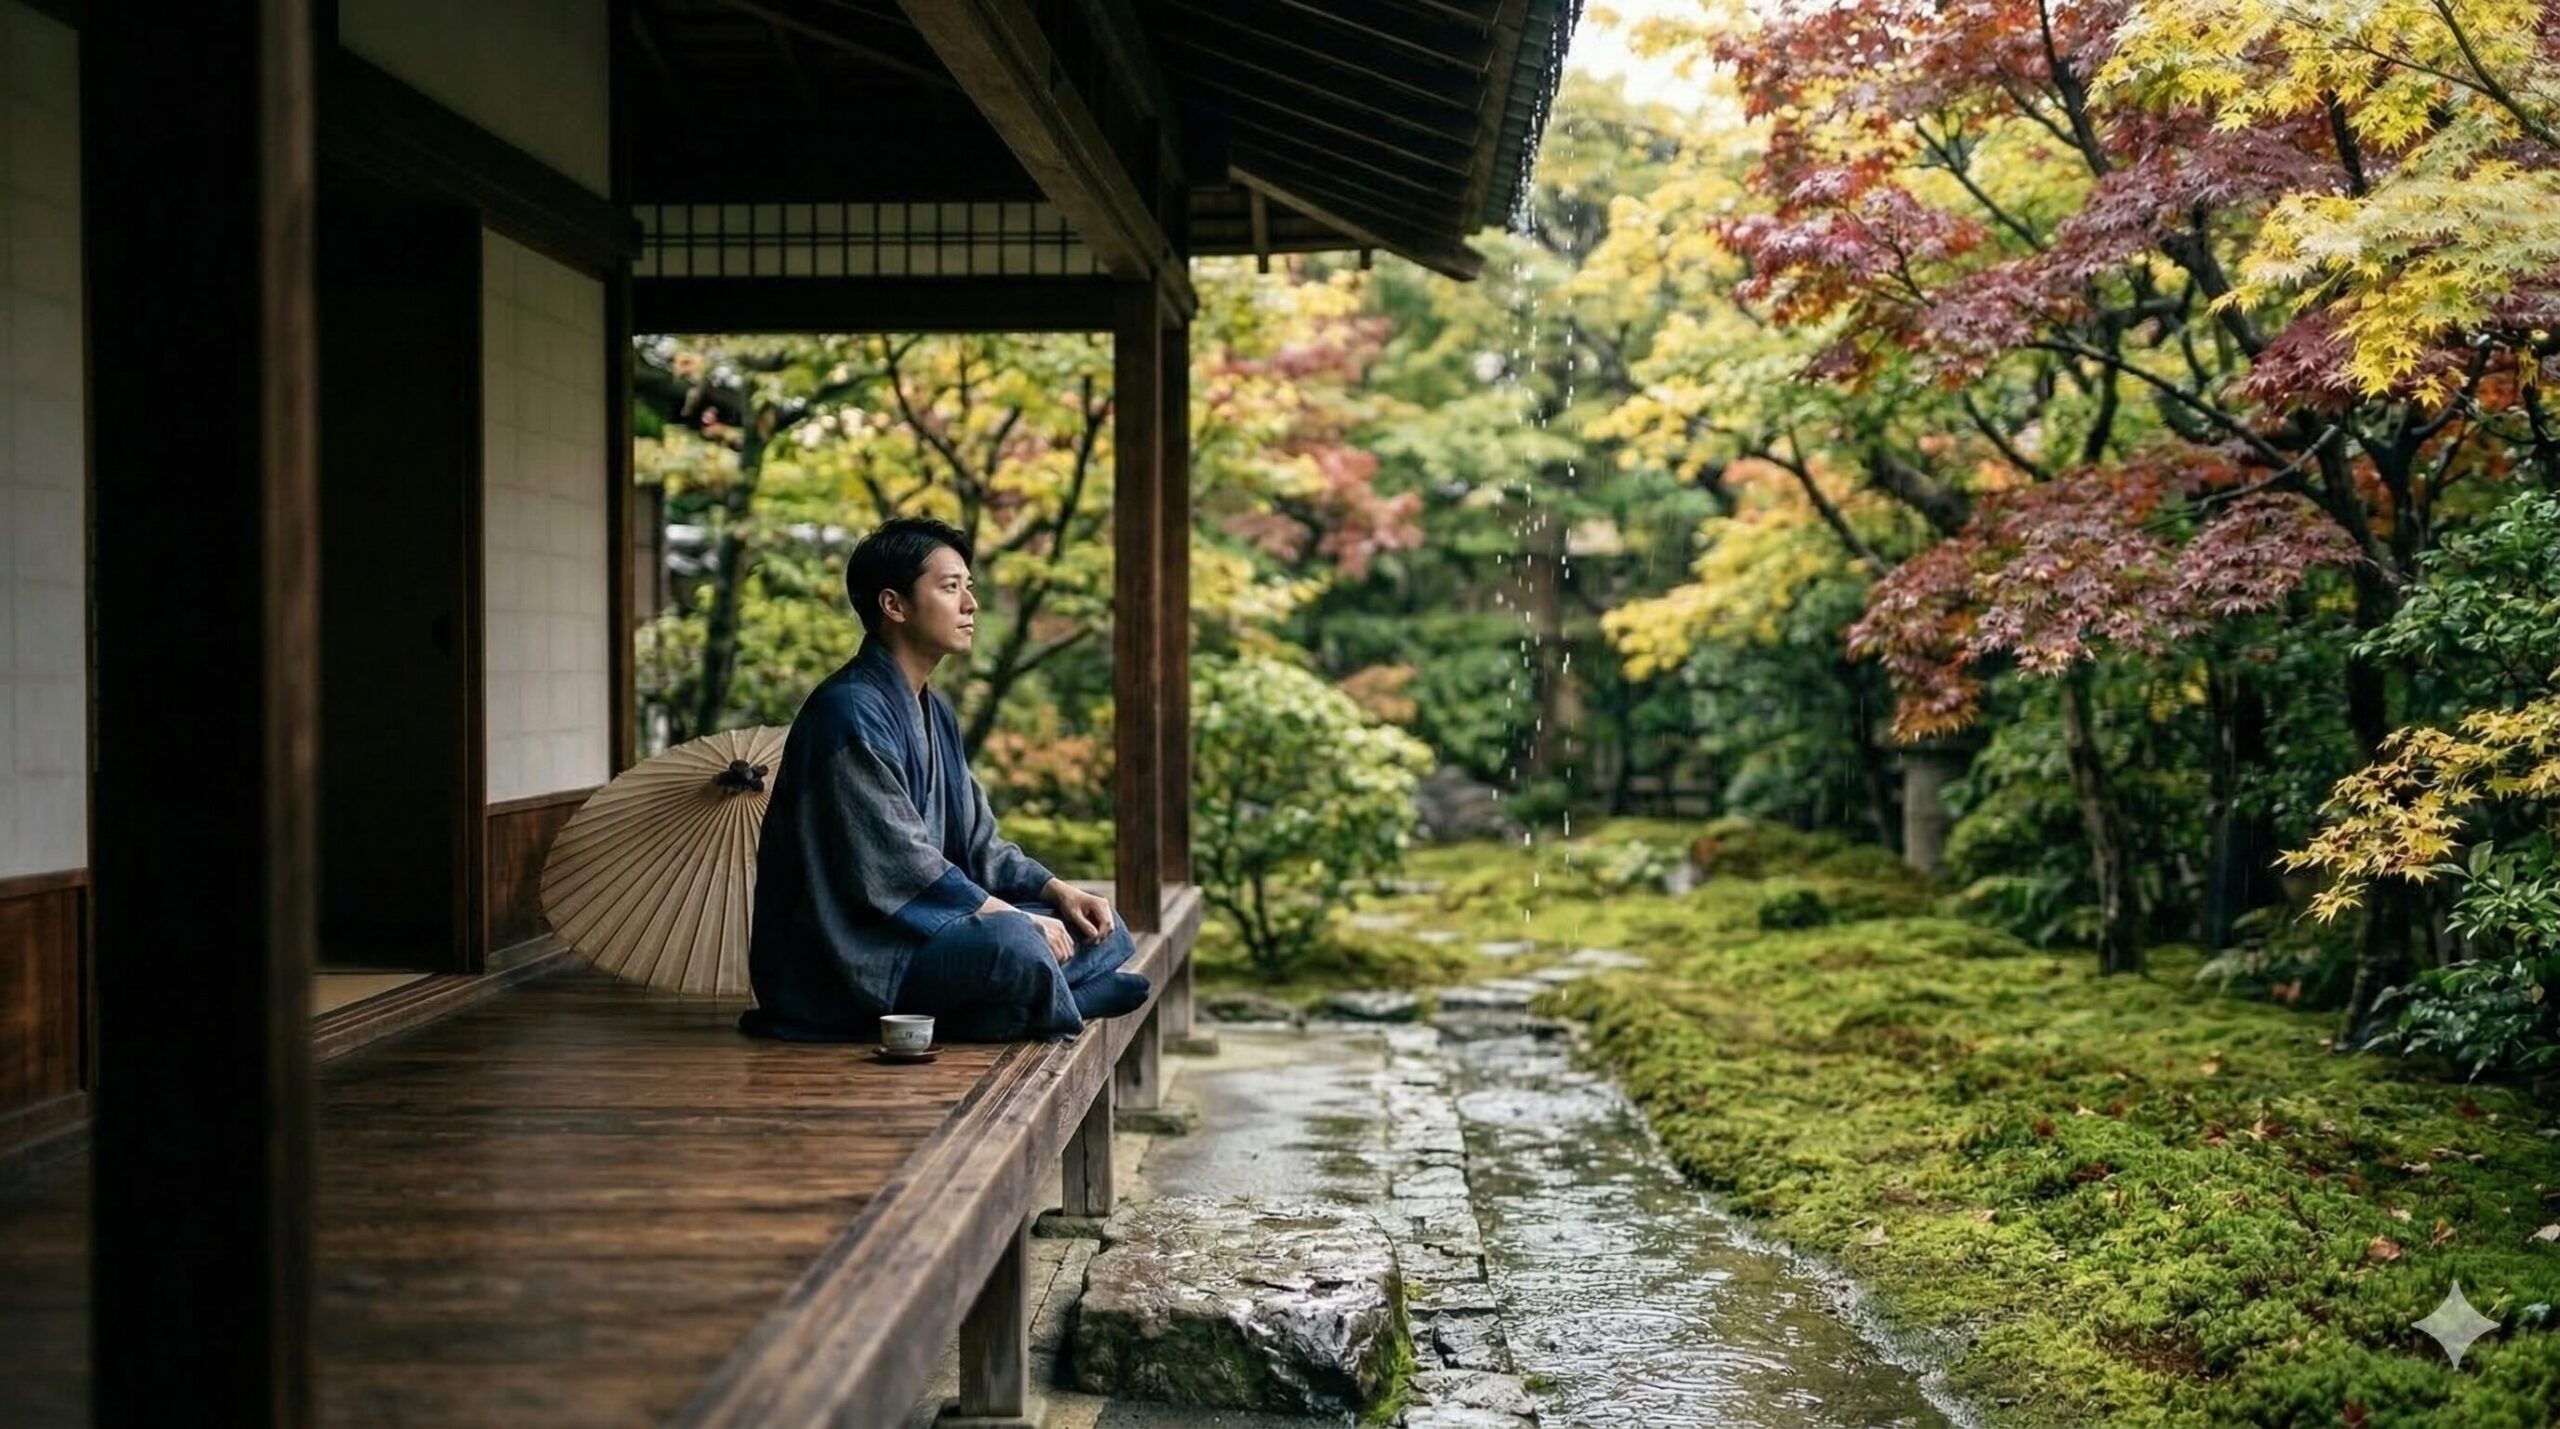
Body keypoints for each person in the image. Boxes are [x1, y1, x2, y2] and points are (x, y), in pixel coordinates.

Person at [740, 516, 1149, 1043]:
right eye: (951, 587)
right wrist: (1016, 921)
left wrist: (1057, 890)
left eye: (968, 587)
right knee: (1013, 945)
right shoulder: (846, 714)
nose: (970, 604)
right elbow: (900, 866)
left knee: (1099, 922)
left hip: (928, 936)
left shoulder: (936, 713)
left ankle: (1032, 998)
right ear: (894, 605)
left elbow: (980, 846)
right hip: (855, 959)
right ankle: (1063, 1001)